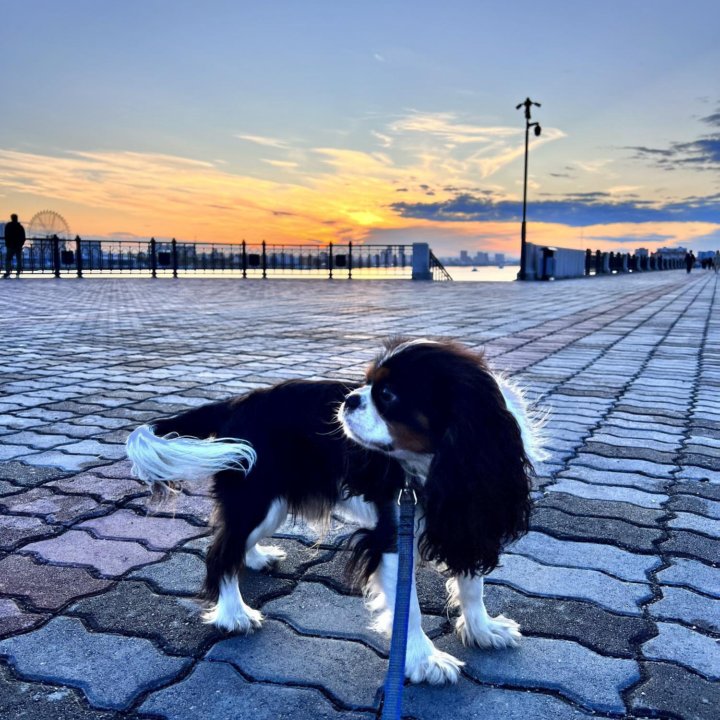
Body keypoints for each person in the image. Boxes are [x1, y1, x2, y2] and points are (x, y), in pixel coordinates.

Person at [3, 213, 26, 278]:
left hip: (10, 246)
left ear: (11, 218)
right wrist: (21, 244)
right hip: (18, 246)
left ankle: (8, 272)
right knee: (19, 259)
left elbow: (6, 235)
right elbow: (23, 237)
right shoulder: (20, 227)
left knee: (8, 259)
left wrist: (7, 243)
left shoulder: (8, 226)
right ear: (17, 218)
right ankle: (18, 272)